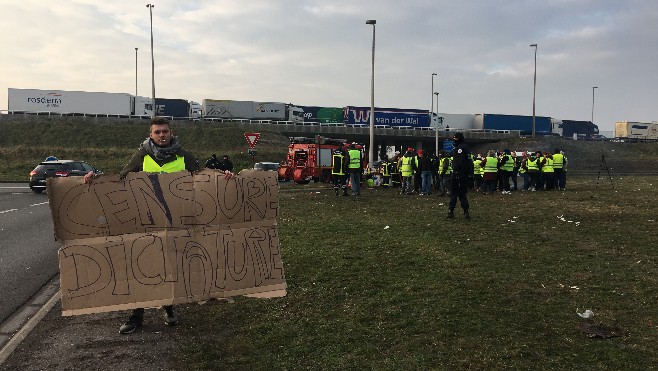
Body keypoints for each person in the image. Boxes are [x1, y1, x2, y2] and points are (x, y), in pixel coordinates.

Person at [83, 116, 234, 335]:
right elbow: (120, 179)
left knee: (169, 266)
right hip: (146, 221)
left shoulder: (184, 157)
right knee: (141, 266)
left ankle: (168, 307)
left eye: (165, 131)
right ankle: (136, 314)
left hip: (174, 221)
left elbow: (204, 178)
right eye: (157, 132)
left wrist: (224, 176)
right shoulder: (142, 156)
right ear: (150, 135)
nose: (162, 135)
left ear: (171, 133)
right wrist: (95, 177)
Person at [447, 132, 472, 219]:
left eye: (455, 139)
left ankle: (451, 211)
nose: (454, 141)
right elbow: (469, 162)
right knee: (462, 194)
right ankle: (465, 212)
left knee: (454, 193)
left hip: (458, 173)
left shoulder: (459, 149)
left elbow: (461, 162)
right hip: (463, 174)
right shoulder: (466, 148)